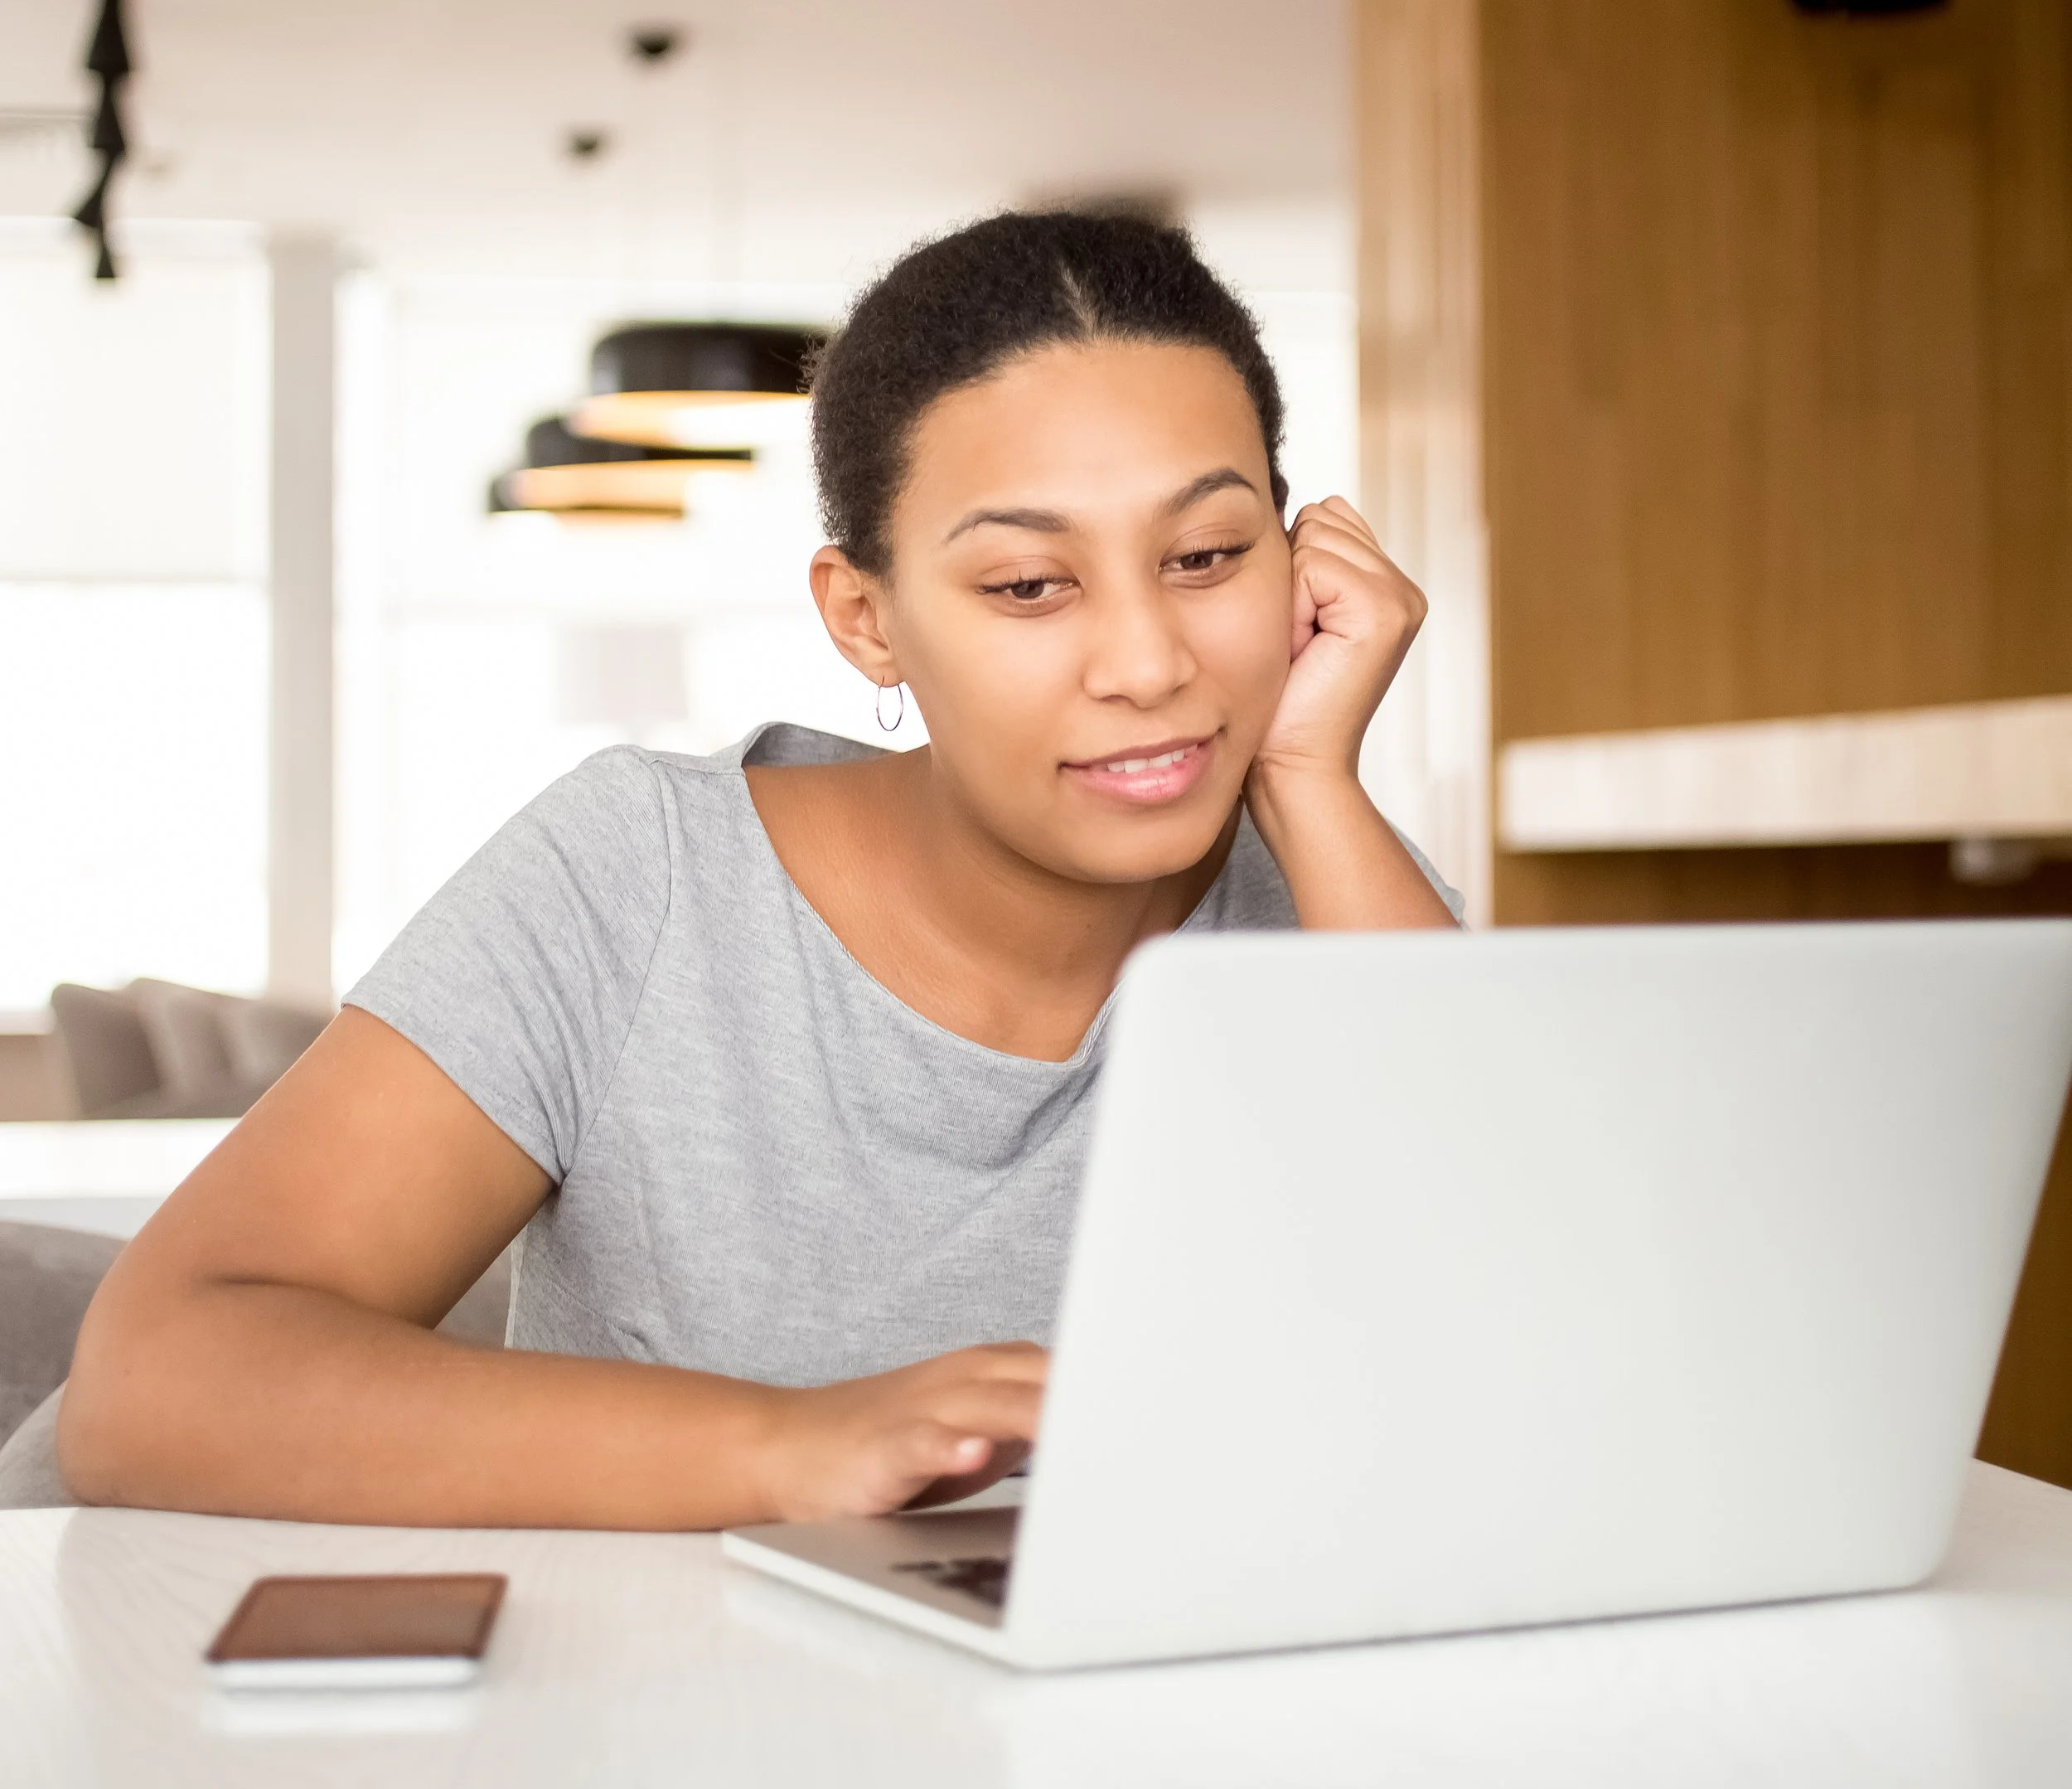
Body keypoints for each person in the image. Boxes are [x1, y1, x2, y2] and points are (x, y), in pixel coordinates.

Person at [60, 211, 1459, 1528]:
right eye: (1030, 584)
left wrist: (1308, 776)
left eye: (1210, 555)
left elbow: (1527, 1337)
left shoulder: (1347, 901)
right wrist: (789, 1443)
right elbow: (156, 1381)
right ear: (868, 620)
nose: (1150, 663)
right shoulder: (641, 877)